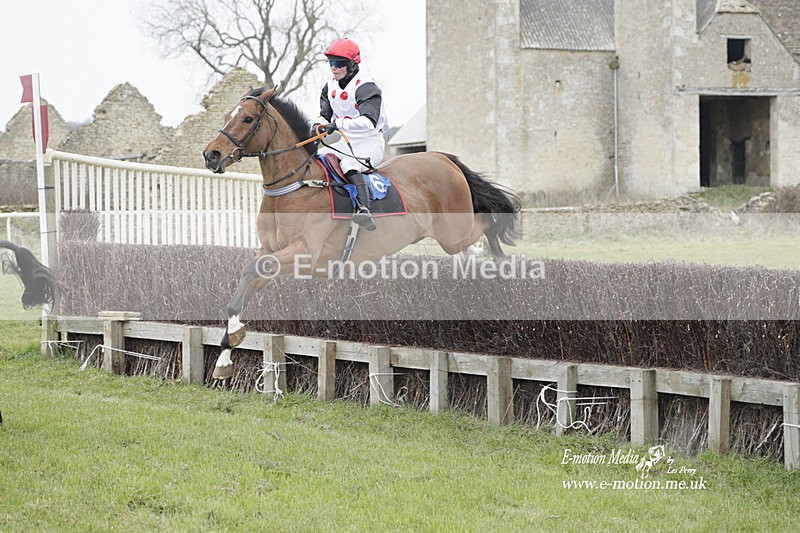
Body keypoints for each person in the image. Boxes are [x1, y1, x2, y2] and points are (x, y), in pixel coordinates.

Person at [314, 37, 388, 231]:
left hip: (370, 140)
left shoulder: (367, 87)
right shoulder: (329, 87)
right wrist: (319, 125)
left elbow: (368, 122)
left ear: (353, 65)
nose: (334, 68)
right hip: (345, 140)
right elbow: (324, 116)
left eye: (339, 64)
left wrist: (337, 124)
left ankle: (364, 209)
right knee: (320, 158)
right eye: (331, 63)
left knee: (349, 163)